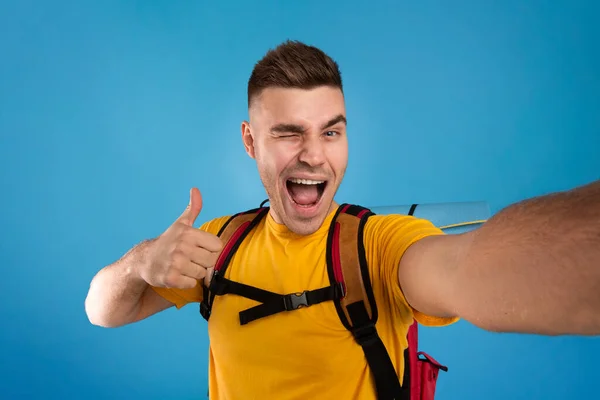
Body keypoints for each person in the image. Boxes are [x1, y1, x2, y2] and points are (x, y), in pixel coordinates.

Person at [85, 40, 600, 399]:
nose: (314, 156)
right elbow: (102, 310)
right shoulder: (220, 243)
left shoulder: (377, 246)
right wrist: (141, 264)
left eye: (331, 132)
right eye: (290, 133)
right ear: (249, 141)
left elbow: (469, 270)